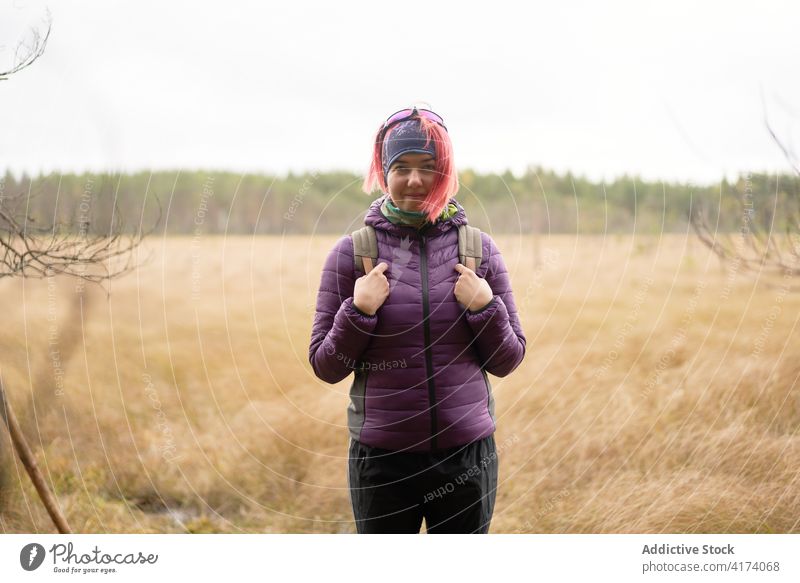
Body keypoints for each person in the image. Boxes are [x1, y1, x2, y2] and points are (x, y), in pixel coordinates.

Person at [308, 106, 526, 533]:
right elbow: (325, 365)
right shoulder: (352, 254)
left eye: (428, 167)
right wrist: (359, 312)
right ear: (383, 172)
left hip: (467, 458)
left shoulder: (479, 251)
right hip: (382, 463)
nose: (414, 180)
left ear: (445, 172)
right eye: (401, 167)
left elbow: (508, 359)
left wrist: (485, 308)